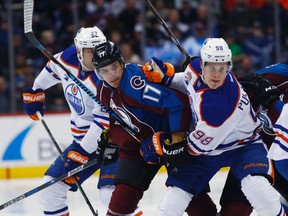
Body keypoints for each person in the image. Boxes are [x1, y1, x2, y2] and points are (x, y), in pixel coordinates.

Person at [142, 38, 285, 215]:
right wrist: (167, 78)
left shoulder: (221, 107)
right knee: (171, 202)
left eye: (222, 68)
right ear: (202, 64)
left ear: (228, 67)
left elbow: (192, 148)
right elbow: (187, 81)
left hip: (243, 146)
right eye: (211, 67)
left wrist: (164, 146)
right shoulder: (193, 67)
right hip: (209, 148)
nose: (217, 74)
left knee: (258, 190)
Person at [91, 40, 218, 216]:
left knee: (190, 195)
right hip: (143, 145)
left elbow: (177, 104)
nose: (111, 74)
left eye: (114, 67)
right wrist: (112, 140)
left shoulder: (134, 83)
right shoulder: (103, 91)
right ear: (98, 73)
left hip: (171, 137)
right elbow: (118, 120)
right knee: (123, 195)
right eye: (104, 71)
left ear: (121, 62)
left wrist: (175, 142)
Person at [22, 26, 120, 216]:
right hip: (82, 143)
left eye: (99, 47)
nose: (97, 55)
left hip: (114, 143)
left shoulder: (109, 78)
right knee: (50, 190)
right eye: (90, 51)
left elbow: (103, 122)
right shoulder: (67, 58)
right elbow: (51, 70)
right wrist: (37, 91)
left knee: (111, 196)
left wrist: (82, 151)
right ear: (79, 51)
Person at [219, 63, 288, 215]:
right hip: (250, 147)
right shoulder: (281, 73)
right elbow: (237, 87)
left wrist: (273, 102)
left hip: (280, 159)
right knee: (234, 209)